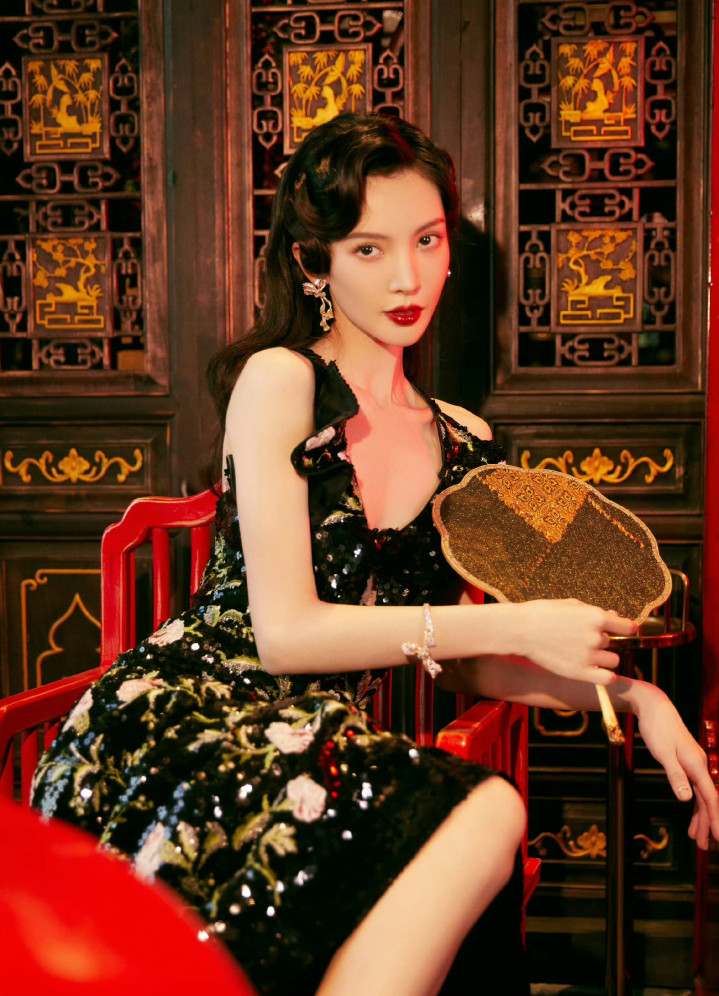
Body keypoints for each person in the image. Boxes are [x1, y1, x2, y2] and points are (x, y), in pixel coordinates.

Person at [31, 112, 719, 996]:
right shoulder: (281, 380)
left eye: (426, 240)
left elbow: (460, 665)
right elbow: (284, 635)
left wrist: (633, 695)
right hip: (188, 721)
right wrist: (518, 624)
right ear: (312, 263)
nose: (406, 277)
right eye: (367, 249)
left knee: (475, 815)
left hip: (316, 744)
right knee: (486, 808)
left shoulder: (464, 442)